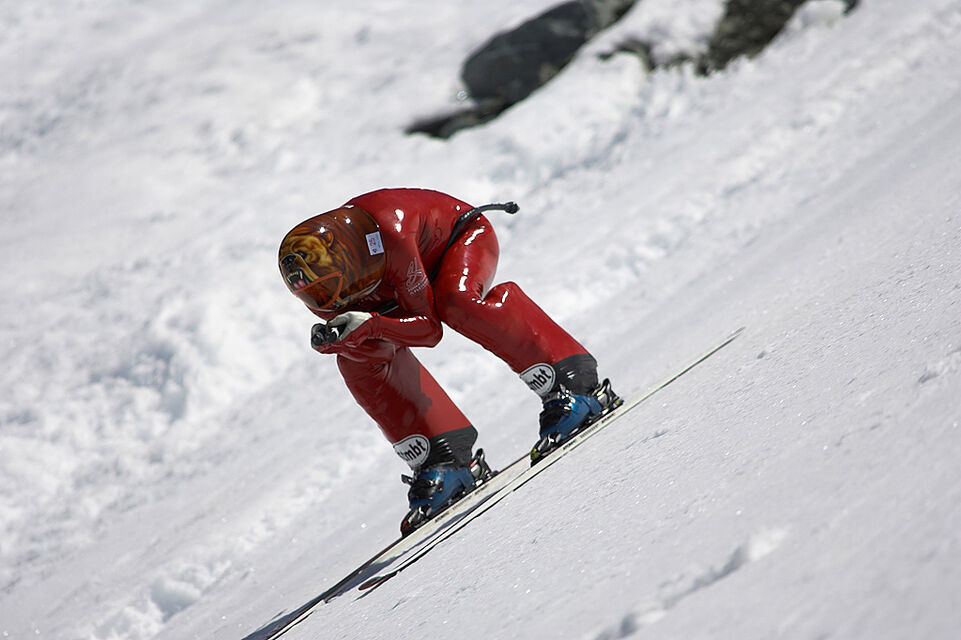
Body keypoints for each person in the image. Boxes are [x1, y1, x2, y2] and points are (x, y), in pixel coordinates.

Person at [278, 187, 618, 534]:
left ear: (349, 255)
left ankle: (573, 381)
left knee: (456, 300)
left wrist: (373, 324)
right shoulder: (322, 289)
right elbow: (371, 333)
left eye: (326, 289)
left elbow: (429, 330)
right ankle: (443, 456)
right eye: (316, 294)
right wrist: (344, 340)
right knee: (356, 356)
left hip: (458, 240)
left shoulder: (391, 232)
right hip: (396, 281)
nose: (328, 299)